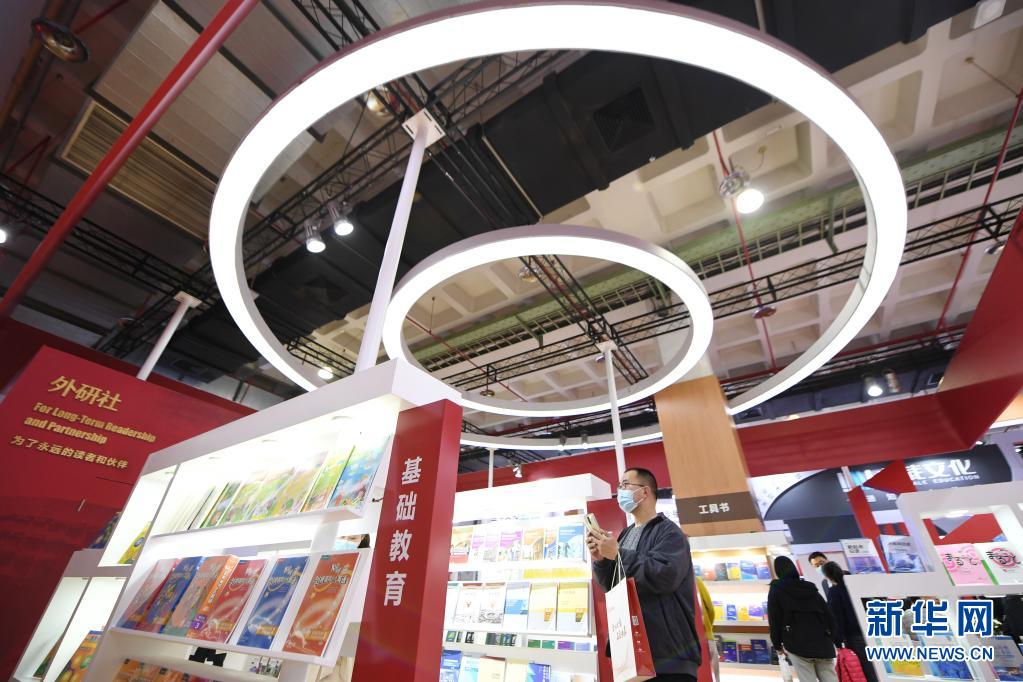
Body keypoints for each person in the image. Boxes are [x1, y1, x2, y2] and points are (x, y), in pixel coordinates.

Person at [590, 467, 702, 681]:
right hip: (630, 652)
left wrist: (618, 554)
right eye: (619, 486)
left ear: (645, 491)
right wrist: (601, 560)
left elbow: (664, 576)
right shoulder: (625, 534)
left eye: (625, 484)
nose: (620, 491)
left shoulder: (669, 532)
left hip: (668, 657)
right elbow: (611, 587)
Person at [768, 555, 838, 682]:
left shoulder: (776, 590)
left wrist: (777, 645)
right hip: (822, 642)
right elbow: (828, 615)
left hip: (796, 643)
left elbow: (774, 620)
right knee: (830, 678)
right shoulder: (810, 589)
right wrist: (835, 639)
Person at [823, 561, 878, 682]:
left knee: (863, 668)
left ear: (828, 576)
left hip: (853, 636)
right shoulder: (858, 589)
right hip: (871, 631)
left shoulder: (835, 592)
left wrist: (838, 641)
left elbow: (836, 617)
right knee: (876, 667)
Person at [697, 576, 719, 682]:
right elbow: (710, 609)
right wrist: (709, 628)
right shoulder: (696, 580)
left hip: (684, 641)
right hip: (706, 636)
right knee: (712, 676)